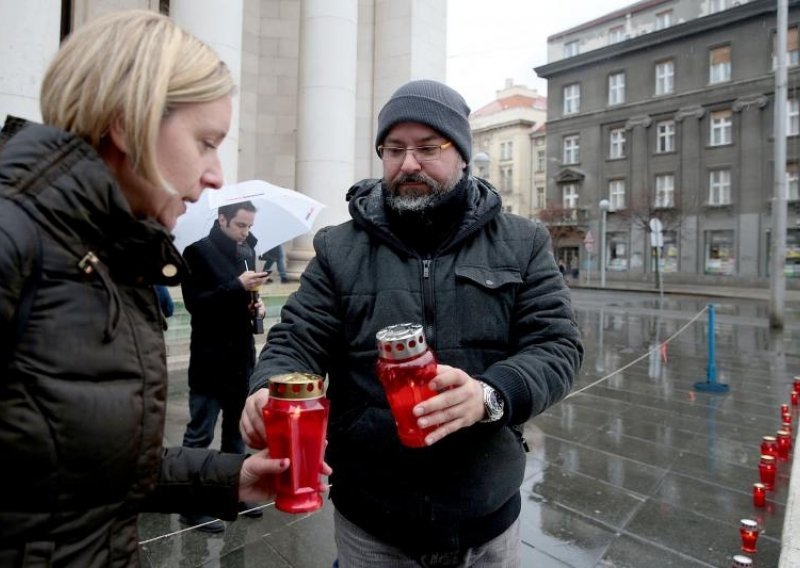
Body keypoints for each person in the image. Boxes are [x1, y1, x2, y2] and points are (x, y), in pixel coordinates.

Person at [0, 10, 307, 566]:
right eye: (206, 142)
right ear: (128, 122)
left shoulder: (108, 254)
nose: (216, 175)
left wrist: (228, 479)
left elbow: (94, 468)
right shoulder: (14, 241)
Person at [241, 79, 583, 566]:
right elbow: (297, 338)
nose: (408, 164)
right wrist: (266, 388)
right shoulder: (340, 248)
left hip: (486, 514)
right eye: (394, 149)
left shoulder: (522, 242)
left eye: (428, 148)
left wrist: (490, 395)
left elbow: (557, 346)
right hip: (372, 519)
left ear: (463, 154)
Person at [179, 200, 271, 532]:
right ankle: (192, 504)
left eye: (249, 226)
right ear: (222, 220)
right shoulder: (197, 252)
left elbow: (239, 302)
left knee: (236, 434)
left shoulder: (247, 251)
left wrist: (254, 307)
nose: (246, 232)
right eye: (241, 225)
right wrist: (237, 286)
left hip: (240, 358)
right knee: (199, 434)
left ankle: (233, 492)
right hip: (208, 358)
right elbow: (196, 305)